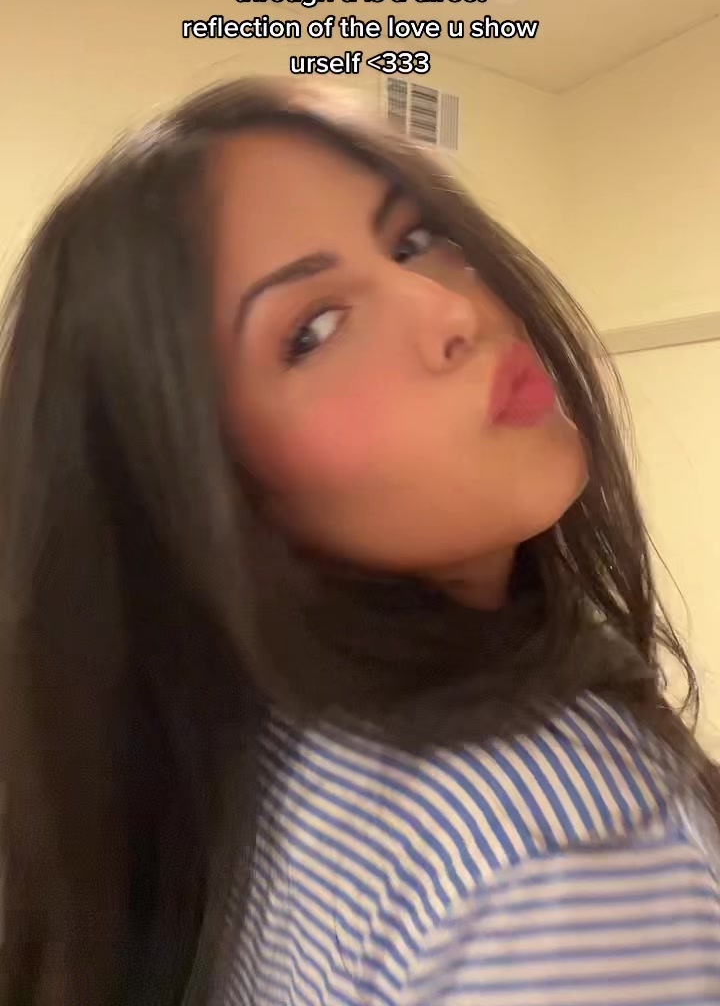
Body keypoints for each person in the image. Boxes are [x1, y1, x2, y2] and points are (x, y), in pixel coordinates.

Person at [0, 77, 718, 1006]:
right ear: (199, 491)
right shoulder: (562, 848)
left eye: (415, 241)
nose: (455, 311)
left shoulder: (255, 750)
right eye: (314, 329)